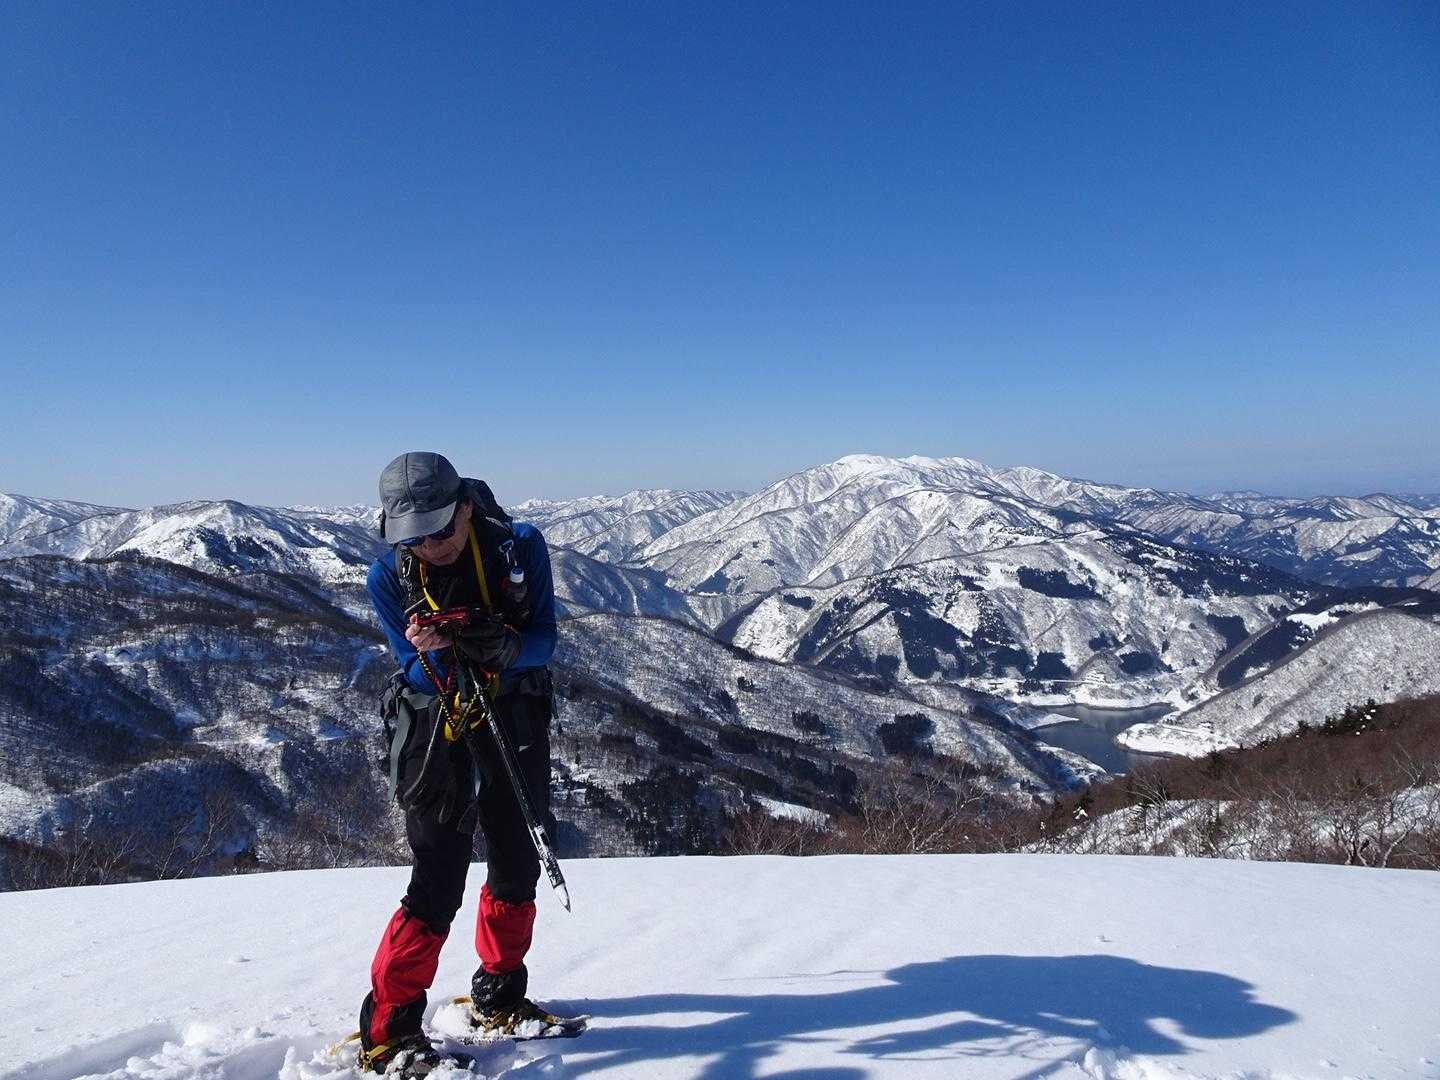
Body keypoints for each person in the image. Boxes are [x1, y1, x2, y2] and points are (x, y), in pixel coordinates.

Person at [358, 451, 560, 1076]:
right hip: (437, 730)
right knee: (437, 876)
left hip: (515, 717)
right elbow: (412, 671)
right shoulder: (387, 578)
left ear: (466, 507)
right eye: (414, 537)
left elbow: (545, 639)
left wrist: (501, 646)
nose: (432, 546)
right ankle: (389, 1029)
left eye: (442, 529)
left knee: (516, 860)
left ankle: (500, 993)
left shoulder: (519, 548)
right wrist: (436, 652)